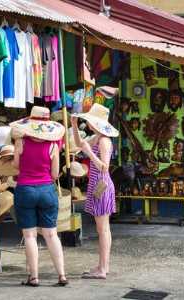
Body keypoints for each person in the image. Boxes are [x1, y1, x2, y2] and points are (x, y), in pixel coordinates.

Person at [10, 106, 67, 287]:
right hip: (46, 191)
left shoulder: (21, 142)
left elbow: (16, 167)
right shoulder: (53, 145)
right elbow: (55, 174)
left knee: (29, 236)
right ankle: (62, 276)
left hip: (25, 189)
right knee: (51, 235)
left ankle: (34, 277)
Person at [71, 103, 119, 280]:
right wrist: (74, 126)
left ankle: (103, 269)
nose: (89, 123)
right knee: (102, 229)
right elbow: (78, 144)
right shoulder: (97, 137)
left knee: (103, 229)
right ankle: (102, 265)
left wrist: (89, 152)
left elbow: (104, 167)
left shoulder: (104, 141)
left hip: (102, 185)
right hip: (97, 185)